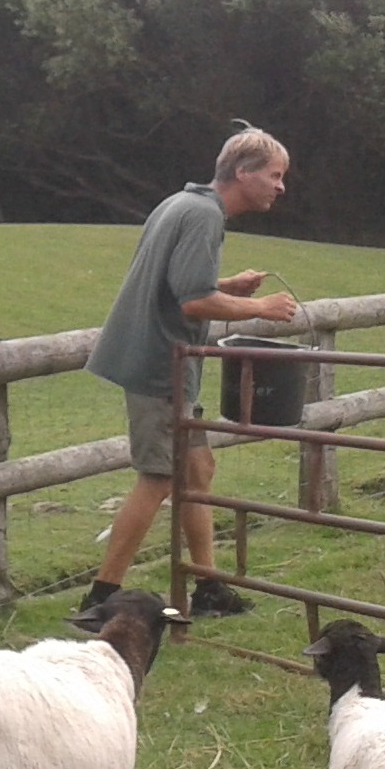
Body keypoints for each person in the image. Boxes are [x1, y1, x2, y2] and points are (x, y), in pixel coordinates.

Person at [80, 126, 299, 616]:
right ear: (243, 172)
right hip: (161, 366)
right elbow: (194, 300)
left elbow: (180, 282)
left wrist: (228, 285)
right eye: (274, 175)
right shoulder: (203, 216)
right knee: (157, 478)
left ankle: (207, 587)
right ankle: (101, 598)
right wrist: (260, 306)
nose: (280, 186)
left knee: (198, 470)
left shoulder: (181, 203)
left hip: (164, 363)